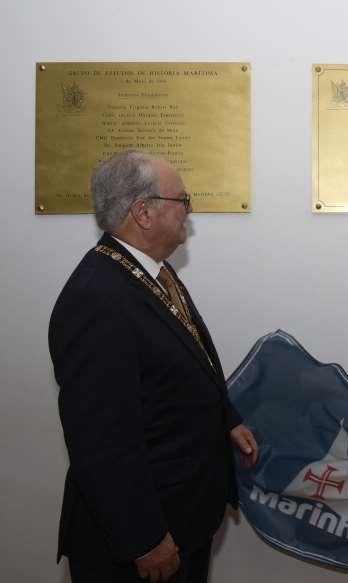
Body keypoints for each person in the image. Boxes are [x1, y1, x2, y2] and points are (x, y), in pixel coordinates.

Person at [49, 149, 259, 583]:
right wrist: (143, 538)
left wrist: (225, 419)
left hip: (182, 517)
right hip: (142, 541)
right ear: (143, 212)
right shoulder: (97, 299)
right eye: (182, 200)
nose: (190, 209)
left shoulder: (148, 272)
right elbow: (101, 441)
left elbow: (185, 359)